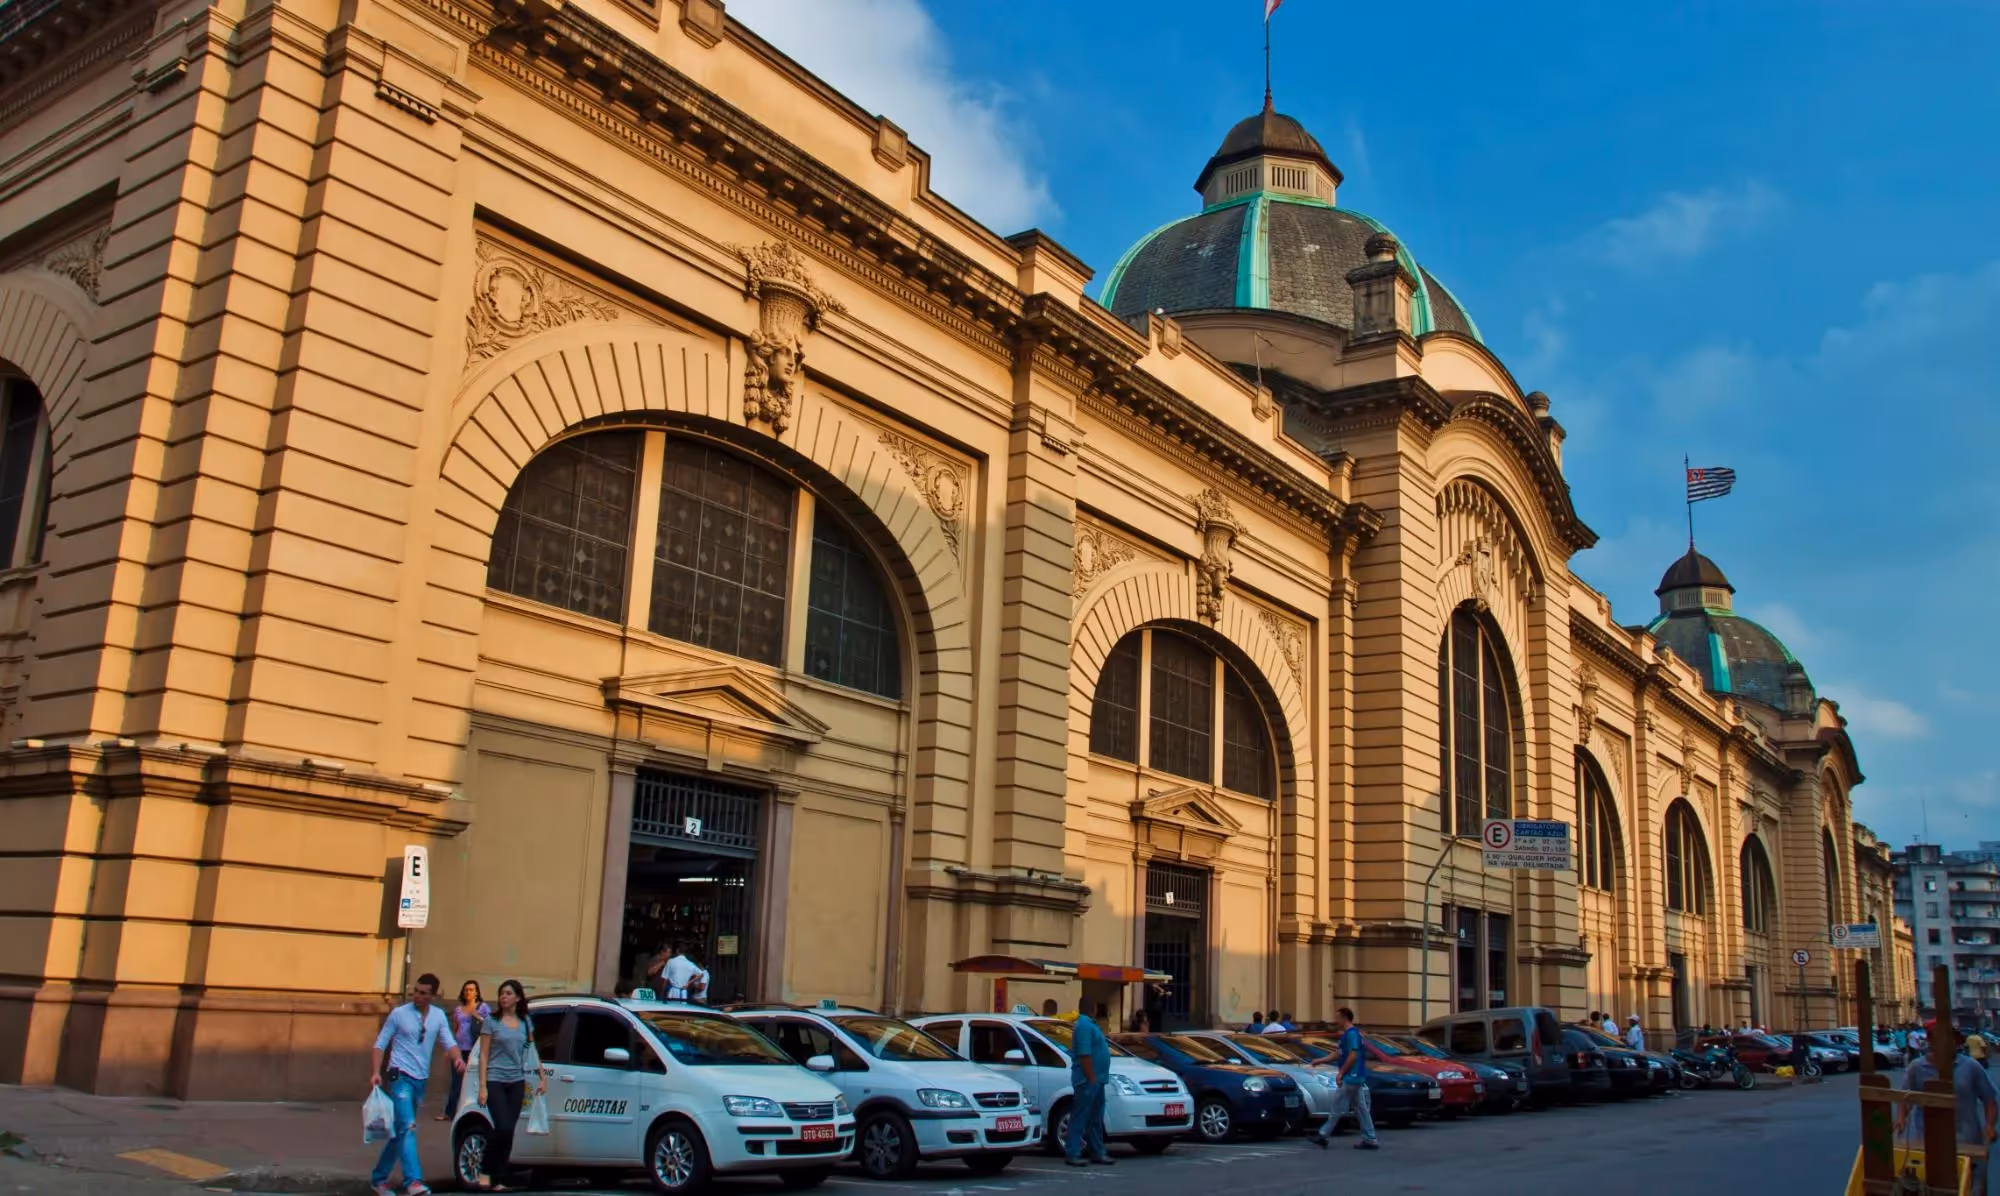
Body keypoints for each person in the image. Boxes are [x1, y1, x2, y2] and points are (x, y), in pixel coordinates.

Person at [370, 972, 463, 1196]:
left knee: (402, 1129)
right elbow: (380, 1044)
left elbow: (449, 1042)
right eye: (415, 991)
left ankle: (379, 1179)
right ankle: (413, 1181)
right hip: (399, 1076)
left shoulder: (438, 1016)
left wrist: (458, 1058)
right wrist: (375, 1072)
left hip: (420, 1080)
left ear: (433, 995)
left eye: (423, 993)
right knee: (409, 1127)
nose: (417, 996)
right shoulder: (399, 1014)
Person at [1897, 1030, 1999, 1193]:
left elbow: (1990, 1099)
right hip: (1924, 1140)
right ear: (1930, 1041)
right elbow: (1905, 1098)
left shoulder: (1971, 1066)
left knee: (1973, 1187)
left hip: (1966, 1140)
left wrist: (1990, 1125)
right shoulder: (1916, 1067)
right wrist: (1901, 1118)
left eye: (1950, 1040)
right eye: (1940, 1039)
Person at [473, 979, 544, 1193]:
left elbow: (531, 1051)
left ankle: (500, 1178)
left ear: (518, 998)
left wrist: (542, 1075)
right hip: (495, 1079)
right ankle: (485, 1170)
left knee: (509, 1131)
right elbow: (483, 1054)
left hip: (517, 1081)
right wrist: (483, 1086)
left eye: (508, 993)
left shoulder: (525, 1023)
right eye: (501, 993)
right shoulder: (491, 1022)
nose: (504, 996)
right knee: (501, 1127)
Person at [1309, 1005, 1378, 1151]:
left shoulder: (1352, 1034)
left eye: (1337, 1017)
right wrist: (1319, 1060)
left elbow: (1353, 1055)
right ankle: (1370, 1138)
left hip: (1352, 1076)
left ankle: (1323, 1135)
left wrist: (1341, 1073)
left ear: (1344, 1018)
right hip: (1355, 1076)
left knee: (1337, 1105)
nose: (1335, 1020)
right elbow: (1338, 1054)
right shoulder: (1347, 1034)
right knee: (1361, 1108)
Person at [1064, 995, 1114, 1167]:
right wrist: (1091, 1077)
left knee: (1095, 1118)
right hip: (1088, 1080)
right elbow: (1084, 1054)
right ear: (1092, 1008)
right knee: (1080, 1116)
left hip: (1097, 1079)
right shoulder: (1084, 1026)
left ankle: (1097, 1152)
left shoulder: (1090, 1025)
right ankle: (1073, 1152)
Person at [438, 981, 489, 1121]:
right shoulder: (458, 1010)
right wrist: (450, 1048)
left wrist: (477, 1016)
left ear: (477, 992)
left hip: (475, 1050)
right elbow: (456, 1029)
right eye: (466, 990)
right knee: (456, 1082)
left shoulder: (483, 1007)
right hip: (460, 1050)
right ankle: (449, 1112)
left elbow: (491, 1026)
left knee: (473, 1081)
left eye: (471, 990)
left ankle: (473, 1112)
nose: (468, 992)